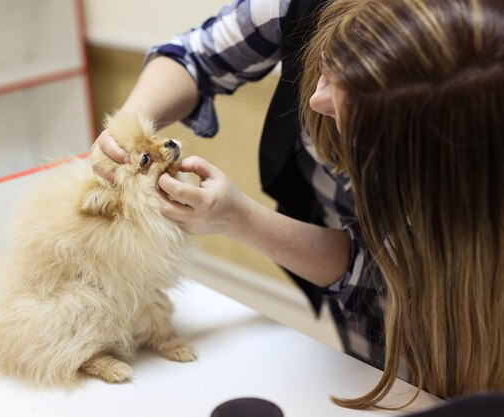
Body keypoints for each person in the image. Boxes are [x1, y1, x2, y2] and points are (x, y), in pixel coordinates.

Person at [92, 0, 504, 409]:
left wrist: (242, 219)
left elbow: (377, 269)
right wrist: (126, 126)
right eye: (325, 67)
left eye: (355, 112)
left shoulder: (474, 171)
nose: (314, 102)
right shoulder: (303, 7)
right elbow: (194, 56)